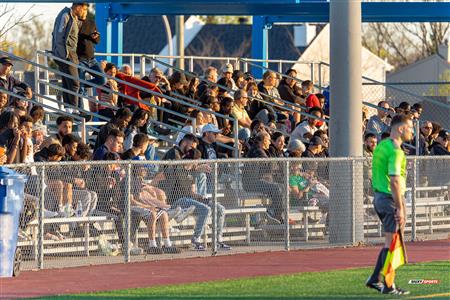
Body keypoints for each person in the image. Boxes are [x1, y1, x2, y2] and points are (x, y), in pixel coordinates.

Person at [367, 114, 413, 295]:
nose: (411, 131)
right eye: (409, 128)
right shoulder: (395, 150)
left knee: (390, 243)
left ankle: (375, 279)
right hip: (389, 199)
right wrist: (400, 208)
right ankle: (388, 284)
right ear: (401, 128)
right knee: (392, 244)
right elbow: (394, 180)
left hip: (380, 197)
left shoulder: (382, 145)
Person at [52, 2, 89, 112]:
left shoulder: (73, 17)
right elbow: (59, 36)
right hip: (67, 54)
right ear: (78, 7)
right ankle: (74, 110)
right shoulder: (65, 15)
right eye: (83, 9)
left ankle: (69, 108)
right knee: (74, 83)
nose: (84, 12)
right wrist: (64, 55)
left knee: (67, 82)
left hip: (71, 54)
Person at [77, 17, 106, 109]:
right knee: (80, 88)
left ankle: (81, 84)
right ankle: (82, 110)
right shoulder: (74, 22)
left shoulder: (91, 22)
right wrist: (87, 36)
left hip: (92, 59)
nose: (84, 12)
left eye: (86, 10)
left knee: (102, 80)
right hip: (80, 59)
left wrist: (95, 37)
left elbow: (97, 41)